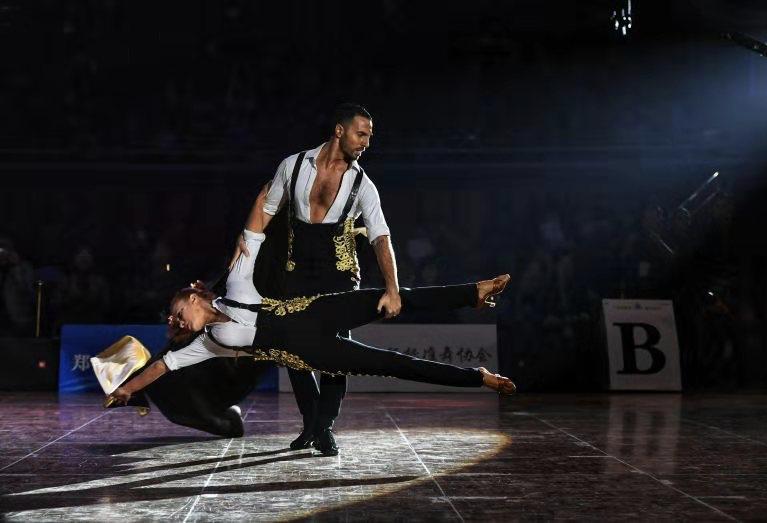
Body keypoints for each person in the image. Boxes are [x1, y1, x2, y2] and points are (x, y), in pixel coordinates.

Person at [108, 226, 516, 426]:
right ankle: (477, 378)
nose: (178, 321)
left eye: (178, 312)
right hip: (314, 352)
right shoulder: (208, 343)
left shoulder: (235, 283)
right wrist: (127, 387)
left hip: (318, 310)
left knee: (396, 296)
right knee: (396, 363)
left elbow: (252, 230)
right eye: (176, 323)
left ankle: (473, 292)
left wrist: (273, 188)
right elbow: (161, 367)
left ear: (194, 297)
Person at [229, 103, 400, 455]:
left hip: (339, 272)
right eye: (361, 134)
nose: (367, 142)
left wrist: (392, 287)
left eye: (370, 136)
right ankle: (311, 421)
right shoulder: (293, 166)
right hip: (297, 269)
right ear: (339, 131)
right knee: (293, 349)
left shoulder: (362, 183)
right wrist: (245, 245)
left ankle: (324, 426)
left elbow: (381, 236)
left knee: (338, 352)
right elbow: (266, 207)